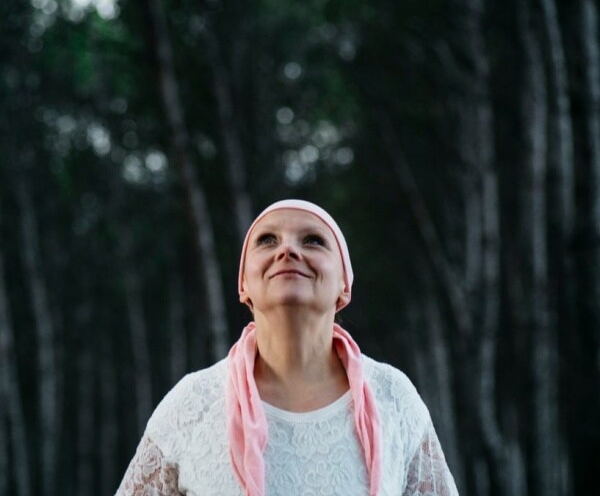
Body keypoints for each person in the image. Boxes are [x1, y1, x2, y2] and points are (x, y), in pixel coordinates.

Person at [116, 199, 459, 495]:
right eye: (267, 240)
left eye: (312, 240)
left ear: (344, 285)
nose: (288, 250)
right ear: (244, 285)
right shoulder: (192, 403)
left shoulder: (394, 396)